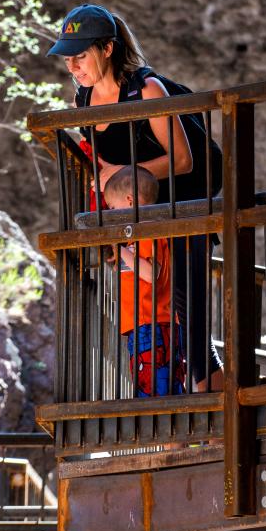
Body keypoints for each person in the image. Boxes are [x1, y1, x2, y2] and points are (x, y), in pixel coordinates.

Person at [48, 3, 224, 391]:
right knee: (163, 331)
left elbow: (182, 160)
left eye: (79, 56)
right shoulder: (84, 102)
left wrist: (119, 174)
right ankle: (206, 416)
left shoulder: (146, 89)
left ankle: (217, 422)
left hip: (185, 213)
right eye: (67, 59)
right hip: (143, 225)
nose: (72, 67)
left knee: (189, 323)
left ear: (107, 49)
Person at [103, 165, 185, 397]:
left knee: (157, 388)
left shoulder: (147, 230)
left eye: (112, 207)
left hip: (153, 323)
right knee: (147, 385)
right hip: (143, 323)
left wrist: (120, 250)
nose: (110, 214)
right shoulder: (138, 235)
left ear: (129, 200)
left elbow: (151, 273)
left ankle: (165, 428)